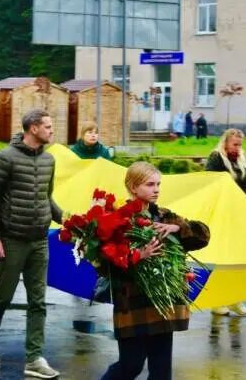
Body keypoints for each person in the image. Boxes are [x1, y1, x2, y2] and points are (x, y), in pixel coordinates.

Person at [101, 161, 210, 380]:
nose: (157, 189)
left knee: (161, 371)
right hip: (132, 305)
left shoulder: (164, 216)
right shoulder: (119, 220)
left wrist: (178, 228)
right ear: (133, 187)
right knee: (130, 365)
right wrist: (138, 256)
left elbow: (203, 235)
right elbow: (105, 264)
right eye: (150, 184)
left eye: (158, 184)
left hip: (163, 305)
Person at [0, 109, 64, 378]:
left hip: (40, 240)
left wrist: (69, 221)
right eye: (48, 126)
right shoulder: (6, 158)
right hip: (11, 240)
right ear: (33, 128)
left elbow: (45, 198)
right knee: (3, 297)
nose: (52, 130)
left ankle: (34, 358)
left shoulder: (50, 160)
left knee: (38, 302)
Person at [205, 129, 246, 316]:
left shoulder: (241, 160)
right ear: (225, 143)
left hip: (238, 214)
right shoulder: (216, 158)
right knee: (221, 258)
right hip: (221, 214)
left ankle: (235, 299)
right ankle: (217, 300)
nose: (238, 148)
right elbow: (210, 184)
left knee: (238, 258)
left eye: (240, 145)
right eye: (235, 144)